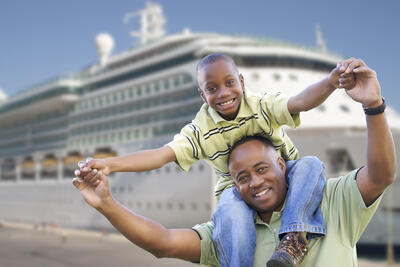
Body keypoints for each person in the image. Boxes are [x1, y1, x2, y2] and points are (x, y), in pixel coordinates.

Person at [74, 59, 395, 267]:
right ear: (202, 95)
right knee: (228, 207)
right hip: (231, 201)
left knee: (311, 164)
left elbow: (380, 175)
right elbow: (163, 239)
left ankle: (295, 237)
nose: (255, 181)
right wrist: (108, 184)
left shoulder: (331, 202)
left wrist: (364, 101)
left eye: (262, 169)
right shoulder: (229, 226)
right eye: (243, 175)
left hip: (301, 177)